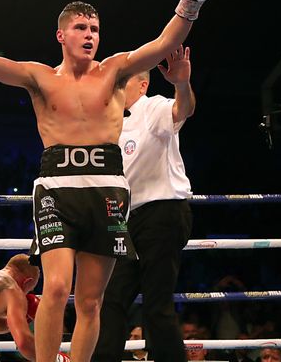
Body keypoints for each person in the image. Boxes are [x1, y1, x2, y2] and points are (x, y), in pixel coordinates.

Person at [0, 0, 224, 362]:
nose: (89, 34)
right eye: (80, 27)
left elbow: (165, 43)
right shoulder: (39, 76)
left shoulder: (116, 71)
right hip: (57, 187)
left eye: (94, 28)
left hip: (108, 188)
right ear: (61, 35)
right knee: (56, 288)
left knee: (91, 301)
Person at [91, 44, 196, 362]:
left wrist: (181, 83)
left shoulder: (154, 108)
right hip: (124, 222)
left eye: (121, 81)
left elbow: (184, 110)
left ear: (142, 84)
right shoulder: (113, 125)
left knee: (156, 304)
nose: (115, 86)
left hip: (162, 212)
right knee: (110, 300)